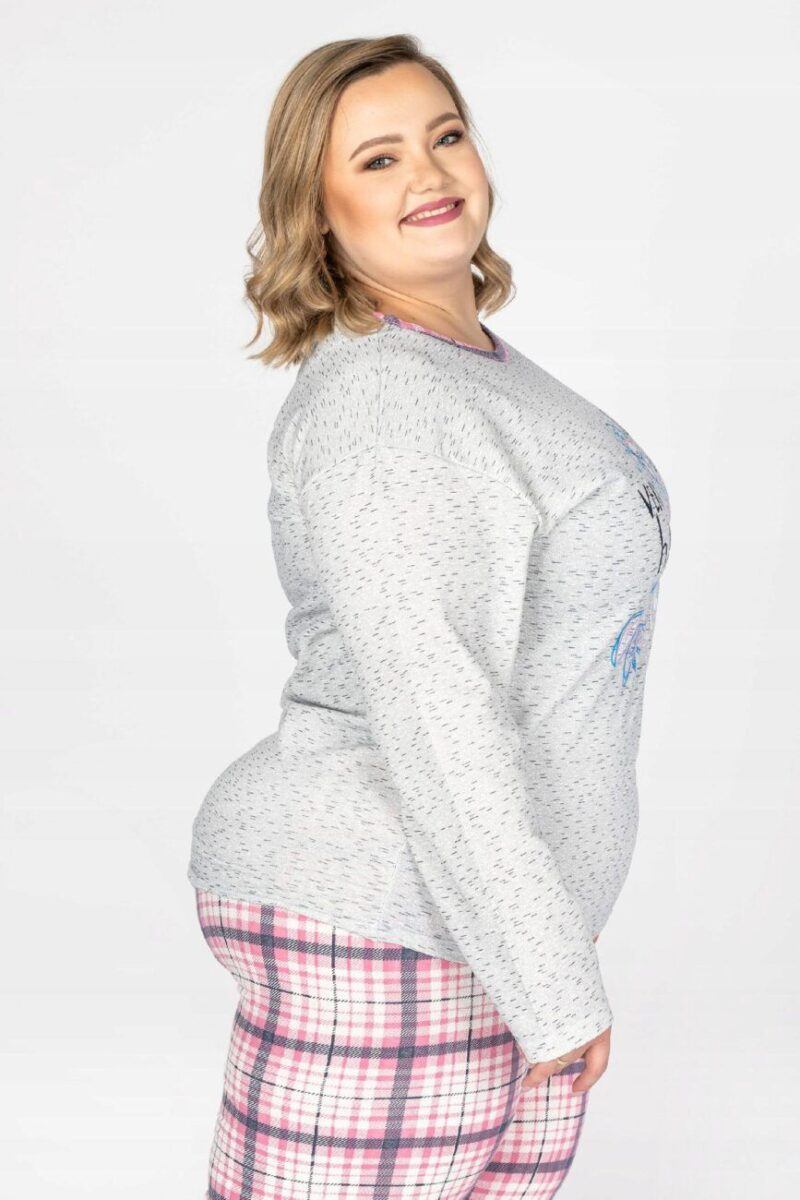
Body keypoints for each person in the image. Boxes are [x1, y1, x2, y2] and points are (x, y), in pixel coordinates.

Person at [187, 34, 672, 1200]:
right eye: (377, 158)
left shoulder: (475, 369)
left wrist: (546, 954)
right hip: (386, 914)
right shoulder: (386, 400)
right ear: (315, 211)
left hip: (480, 926)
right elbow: (433, 708)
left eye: (443, 135)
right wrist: (548, 979)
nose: (427, 171)